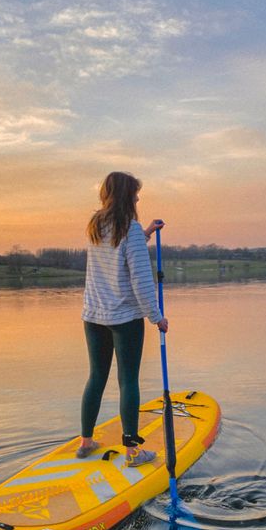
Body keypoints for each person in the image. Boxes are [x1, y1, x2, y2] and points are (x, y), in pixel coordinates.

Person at [78, 171, 168, 464]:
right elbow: (142, 282)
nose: (138, 197)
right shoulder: (129, 229)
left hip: (93, 315)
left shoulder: (96, 226)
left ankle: (85, 442)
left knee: (96, 377)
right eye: (135, 192)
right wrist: (157, 317)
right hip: (125, 318)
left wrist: (147, 235)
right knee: (128, 380)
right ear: (127, 195)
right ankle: (132, 450)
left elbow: (117, 251)